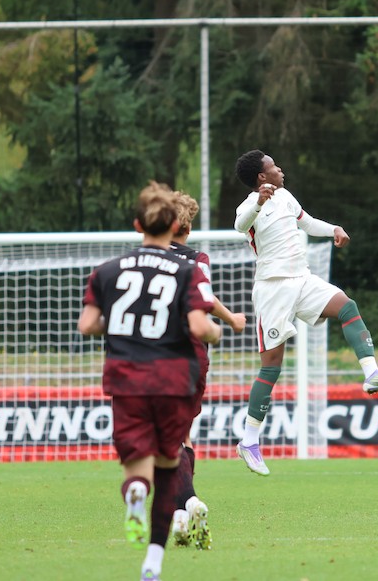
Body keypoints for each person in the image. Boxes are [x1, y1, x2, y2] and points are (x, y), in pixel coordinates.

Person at [78, 181, 222, 581]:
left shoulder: (106, 271)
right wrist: (216, 332)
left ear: (137, 223)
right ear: (176, 224)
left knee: (136, 471)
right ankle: (153, 564)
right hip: (172, 380)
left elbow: (87, 324)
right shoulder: (188, 269)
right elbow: (199, 323)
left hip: (126, 380)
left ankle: (134, 496)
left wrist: (124, 325)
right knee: (167, 466)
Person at [232, 149, 378, 476]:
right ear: (261, 177)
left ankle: (371, 375)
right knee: (272, 366)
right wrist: (258, 203)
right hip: (272, 288)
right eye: (273, 166)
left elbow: (306, 223)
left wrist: (334, 228)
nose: (280, 168)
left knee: (346, 306)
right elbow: (241, 225)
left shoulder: (286, 196)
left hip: (303, 278)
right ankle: (249, 440)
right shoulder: (249, 205)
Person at [167, 191, 247, 550]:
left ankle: (187, 504)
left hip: (154, 354)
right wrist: (231, 319)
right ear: (188, 225)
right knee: (181, 435)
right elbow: (205, 299)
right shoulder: (197, 259)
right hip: (194, 355)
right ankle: (181, 517)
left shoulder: (144, 256)